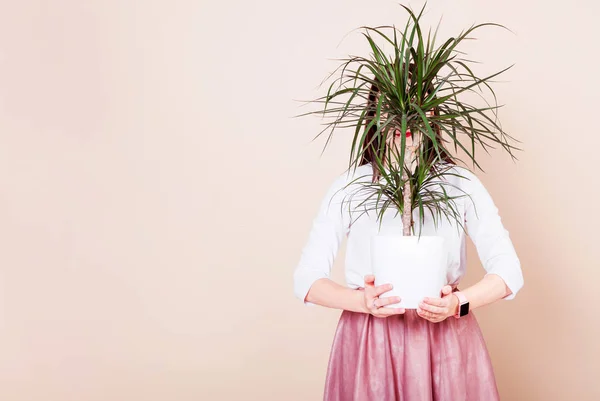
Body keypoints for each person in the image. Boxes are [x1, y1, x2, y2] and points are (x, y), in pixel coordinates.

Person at [292, 78, 524, 400]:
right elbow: (306, 279)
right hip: (370, 341)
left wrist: (457, 303)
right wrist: (363, 302)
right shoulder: (350, 187)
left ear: (434, 116)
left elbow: (510, 273)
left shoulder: (460, 184)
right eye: (393, 106)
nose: (407, 118)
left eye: (419, 106)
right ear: (375, 114)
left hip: (445, 339)